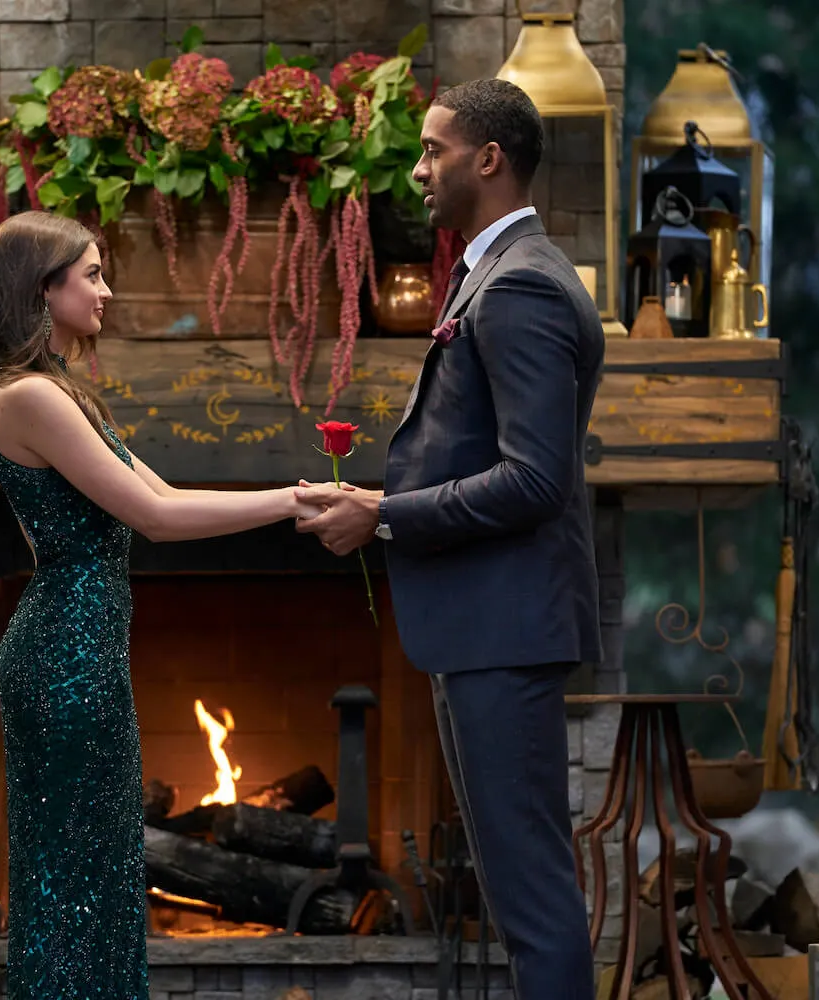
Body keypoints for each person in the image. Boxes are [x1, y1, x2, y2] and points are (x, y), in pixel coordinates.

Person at [294, 78, 603, 999]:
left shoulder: (523, 290)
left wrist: (381, 512)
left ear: (489, 159)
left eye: (433, 151)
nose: (419, 169)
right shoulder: (492, 273)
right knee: (520, 898)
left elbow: (536, 481)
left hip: (504, 630)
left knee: (534, 900)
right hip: (482, 630)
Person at [0, 210, 320, 1000]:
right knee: (74, 886)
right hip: (65, 661)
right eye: (90, 274)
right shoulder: (31, 396)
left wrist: (290, 497)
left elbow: (162, 493)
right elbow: (156, 520)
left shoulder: (61, 390)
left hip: (83, 653)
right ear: (42, 289)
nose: (107, 289)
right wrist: (294, 503)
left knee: (98, 877)